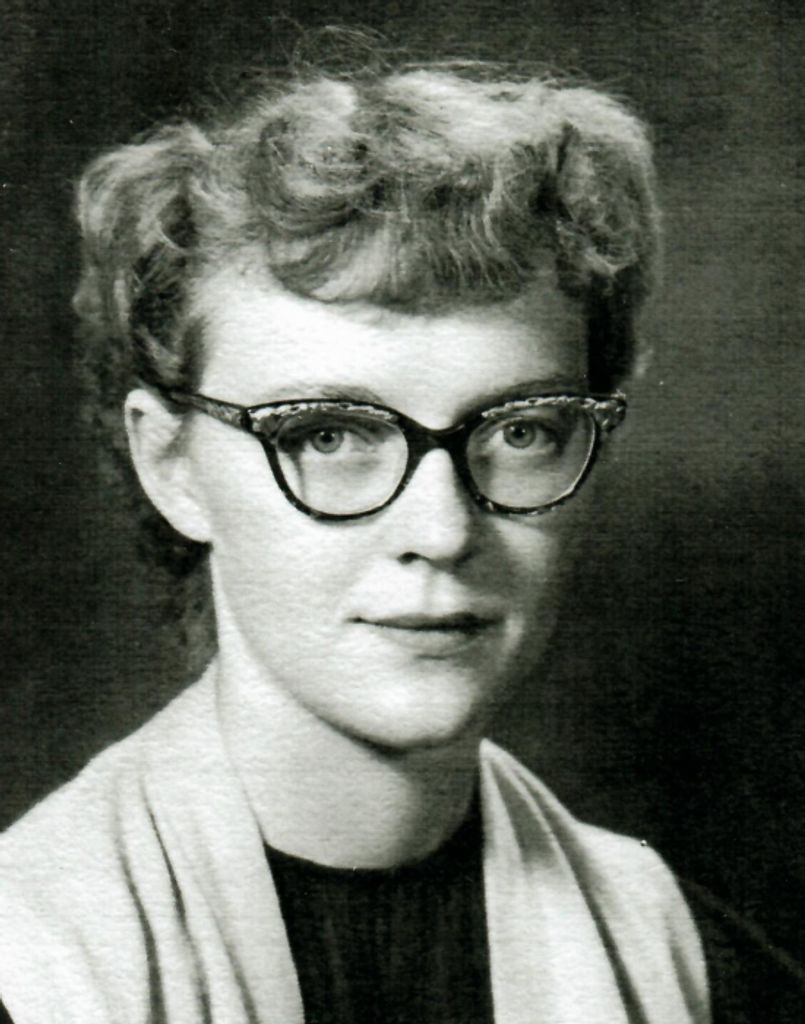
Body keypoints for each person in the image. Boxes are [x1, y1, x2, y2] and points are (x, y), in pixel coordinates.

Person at [0, 36, 714, 1024]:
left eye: (520, 431)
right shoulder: (32, 954)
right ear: (172, 465)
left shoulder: (676, 947)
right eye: (328, 434)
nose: (442, 529)